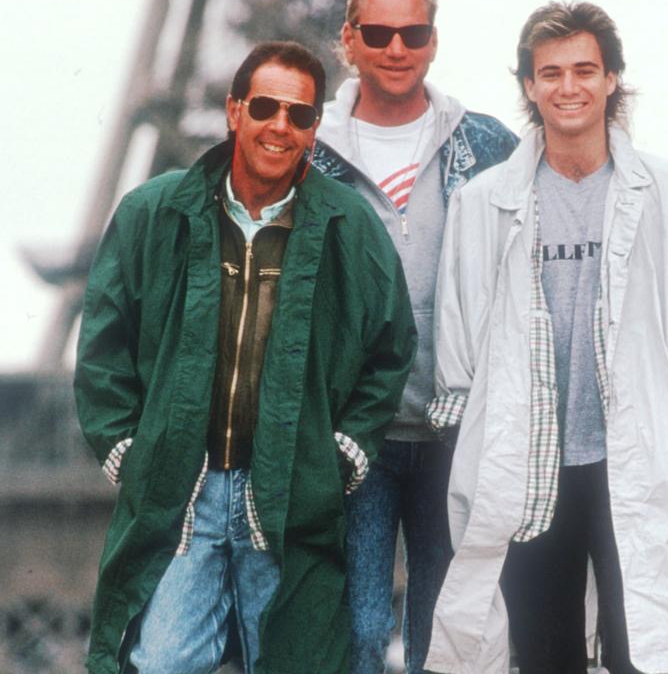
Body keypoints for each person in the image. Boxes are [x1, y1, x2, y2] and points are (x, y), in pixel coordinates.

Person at [74, 41, 416, 674]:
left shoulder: (351, 226)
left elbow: (390, 349)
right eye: (264, 106)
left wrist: (343, 450)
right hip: (183, 492)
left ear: (315, 129)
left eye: (300, 114)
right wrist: (125, 444)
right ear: (234, 111)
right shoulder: (154, 213)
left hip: (290, 496)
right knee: (159, 664)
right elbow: (103, 340)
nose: (280, 126)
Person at [422, 1, 668, 674]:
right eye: (551, 72)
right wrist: (471, 438)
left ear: (613, 79)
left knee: (638, 655)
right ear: (529, 86)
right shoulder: (482, 203)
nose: (569, 87)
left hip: (635, 462)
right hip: (527, 467)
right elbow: (456, 346)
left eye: (585, 70)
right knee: (541, 656)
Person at [309, 0, 517, 672]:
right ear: (349, 39)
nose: (396, 47)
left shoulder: (489, 145)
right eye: (379, 32)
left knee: (444, 639)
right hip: (353, 435)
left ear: (432, 40)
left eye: (413, 32)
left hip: (455, 432)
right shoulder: (308, 153)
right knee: (359, 631)